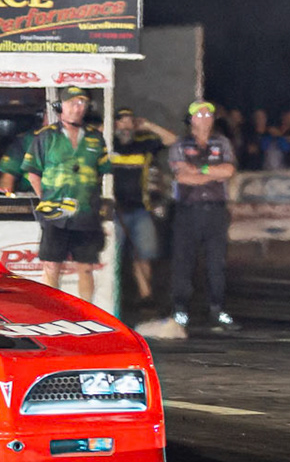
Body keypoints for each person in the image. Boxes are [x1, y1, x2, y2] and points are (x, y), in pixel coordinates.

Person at [21, 86, 109, 303]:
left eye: (82, 103)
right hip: (54, 214)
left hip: (86, 213)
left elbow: (102, 173)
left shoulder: (96, 138)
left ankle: (88, 315)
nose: (78, 108)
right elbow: (32, 172)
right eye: (72, 103)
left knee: (86, 268)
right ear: (61, 107)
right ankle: (51, 311)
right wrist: (47, 200)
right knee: (51, 265)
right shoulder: (45, 136)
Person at [170, 101, 239, 330]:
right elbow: (181, 176)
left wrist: (201, 170)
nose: (204, 117)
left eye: (208, 113)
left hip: (216, 210)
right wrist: (213, 172)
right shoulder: (181, 144)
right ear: (191, 119)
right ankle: (180, 309)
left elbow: (228, 171)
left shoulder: (222, 142)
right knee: (184, 261)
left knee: (216, 262)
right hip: (187, 211)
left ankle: (217, 309)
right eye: (199, 114)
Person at [107, 107, 177, 305]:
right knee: (113, 256)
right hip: (113, 210)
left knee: (143, 255)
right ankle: (113, 297)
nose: (127, 125)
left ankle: (145, 296)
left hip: (141, 209)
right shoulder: (107, 143)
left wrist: (148, 125)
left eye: (130, 121)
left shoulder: (144, 143)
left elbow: (172, 140)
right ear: (115, 124)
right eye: (122, 121)